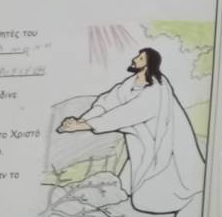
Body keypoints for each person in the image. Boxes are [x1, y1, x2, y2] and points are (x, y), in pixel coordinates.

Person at [56, 48, 204, 216]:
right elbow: (107, 102)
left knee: (156, 194)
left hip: (162, 147)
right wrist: (81, 120)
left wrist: (83, 126)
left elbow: (125, 114)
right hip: (142, 146)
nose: (134, 59)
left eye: (140, 58)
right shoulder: (130, 83)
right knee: (130, 185)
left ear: (148, 64)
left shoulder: (158, 90)